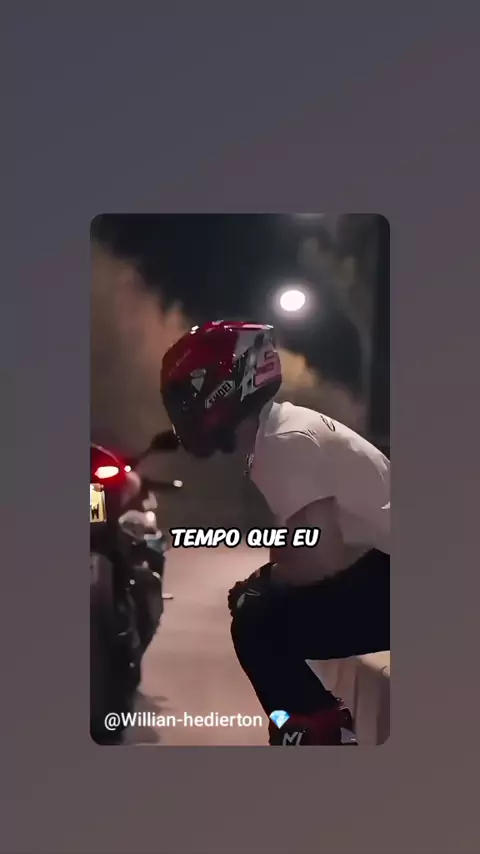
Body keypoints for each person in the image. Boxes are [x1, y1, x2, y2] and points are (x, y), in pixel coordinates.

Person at [160, 320, 390, 746]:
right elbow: (312, 541)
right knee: (262, 607)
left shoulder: (284, 442)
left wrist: (265, 585)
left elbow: (319, 556)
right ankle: (316, 726)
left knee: (257, 623)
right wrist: (268, 579)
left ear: (225, 384)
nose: (185, 405)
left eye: (193, 387)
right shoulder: (281, 433)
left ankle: (320, 735)